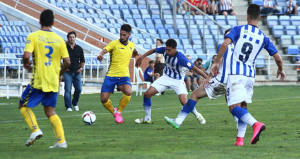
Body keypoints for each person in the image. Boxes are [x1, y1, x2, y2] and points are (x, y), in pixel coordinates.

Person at [211, 4, 284, 145]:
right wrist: (280, 69)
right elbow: (278, 58)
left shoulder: (238, 29)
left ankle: (256, 124)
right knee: (243, 106)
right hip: (250, 76)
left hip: (236, 74)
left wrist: (216, 62)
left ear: (247, 16)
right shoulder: (263, 37)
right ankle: (240, 139)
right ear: (260, 17)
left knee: (233, 108)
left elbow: (225, 44)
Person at [19, 9, 70, 148]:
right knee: (50, 112)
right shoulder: (60, 40)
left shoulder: (33, 36)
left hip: (39, 80)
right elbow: (68, 61)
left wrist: (25, 63)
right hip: (53, 81)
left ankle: (35, 130)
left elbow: (26, 56)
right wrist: (59, 74)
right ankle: (61, 141)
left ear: (39, 21)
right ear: (53, 22)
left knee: (22, 105)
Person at [134, 39, 207, 124]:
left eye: (169, 50)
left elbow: (195, 68)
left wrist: (207, 77)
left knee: (184, 102)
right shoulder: (164, 50)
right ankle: (147, 119)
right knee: (147, 94)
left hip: (178, 81)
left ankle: (197, 114)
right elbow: (153, 50)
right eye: (166, 49)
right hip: (165, 78)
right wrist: (141, 57)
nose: (167, 51)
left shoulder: (181, 58)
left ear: (175, 48)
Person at [97, 24, 139, 124]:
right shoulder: (114, 43)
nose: (121, 37)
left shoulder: (131, 45)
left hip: (124, 75)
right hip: (111, 75)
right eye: (120, 34)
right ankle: (114, 112)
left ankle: (119, 111)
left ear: (129, 35)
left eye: (124, 35)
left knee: (128, 92)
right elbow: (104, 50)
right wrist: (100, 54)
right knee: (103, 99)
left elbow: (134, 51)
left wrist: (139, 58)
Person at [63, 31, 85, 112]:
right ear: (68, 38)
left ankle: (75, 103)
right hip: (67, 72)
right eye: (70, 37)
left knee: (79, 89)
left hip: (77, 72)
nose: (71, 39)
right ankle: (68, 106)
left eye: (73, 37)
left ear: (75, 38)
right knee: (67, 90)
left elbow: (82, 60)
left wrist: (81, 69)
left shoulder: (79, 48)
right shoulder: (64, 48)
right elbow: (58, 59)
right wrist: (63, 67)